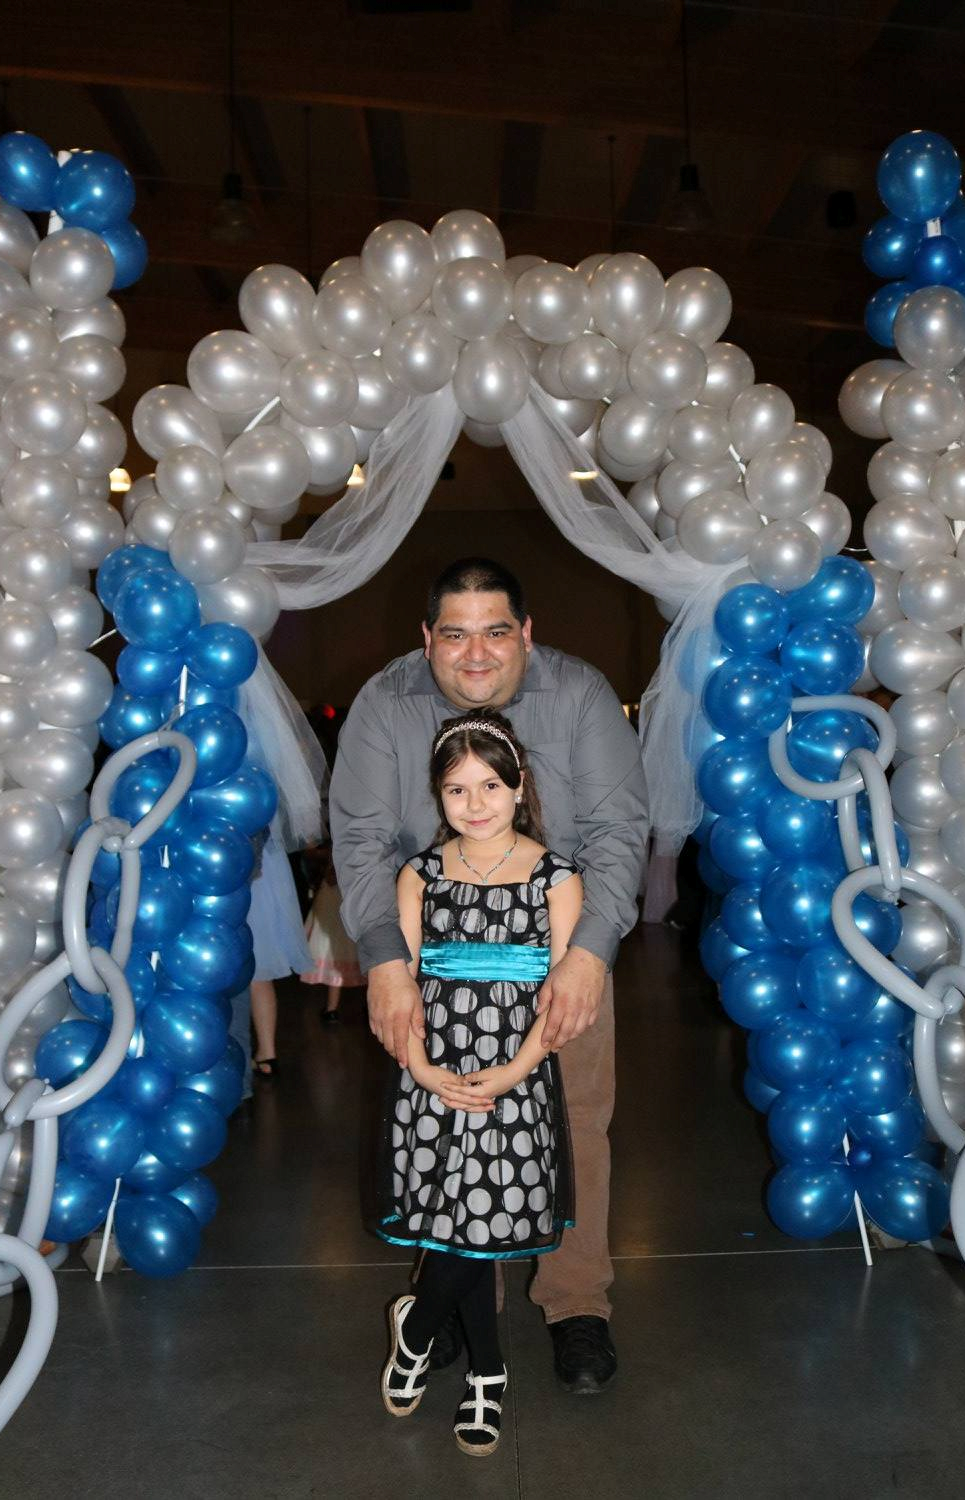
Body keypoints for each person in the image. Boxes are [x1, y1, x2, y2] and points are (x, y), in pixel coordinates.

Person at [330, 557, 649, 1395]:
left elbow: (619, 829)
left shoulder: (578, 696)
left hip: (559, 952)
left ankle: (577, 1302)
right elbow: (362, 839)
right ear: (427, 637)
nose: (477, 655)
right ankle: (459, 1301)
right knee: (452, 1137)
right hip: (434, 968)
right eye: (457, 634)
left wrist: (589, 954)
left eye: (497, 631)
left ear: (527, 634)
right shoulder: (383, 704)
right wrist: (388, 969)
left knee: (572, 1123)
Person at [375, 711, 580, 1454]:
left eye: (490, 784)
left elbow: (561, 995)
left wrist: (517, 1069)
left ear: (519, 785)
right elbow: (400, 982)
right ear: (438, 797)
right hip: (432, 1070)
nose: (476, 802)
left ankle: (418, 1328)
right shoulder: (420, 874)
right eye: (457, 789)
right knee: (462, 1225)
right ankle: (488, 1373)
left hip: (517, 1073)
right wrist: (423, 1067)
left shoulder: (556, 875)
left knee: (485, 1224)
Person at [247, 830, 314, 1078]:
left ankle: (261, 1051)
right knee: (259, 970)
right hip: (267, 868)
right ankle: (267, 1051)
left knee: (255, 968)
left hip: (251, 868)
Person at [301, 834, 365, 1023]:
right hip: (351, 901)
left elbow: (323, 868)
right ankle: (362, 1006)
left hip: (335, 902)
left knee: (334, 951)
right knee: (352, 953)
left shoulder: (337, 845)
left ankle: (332, 1009)